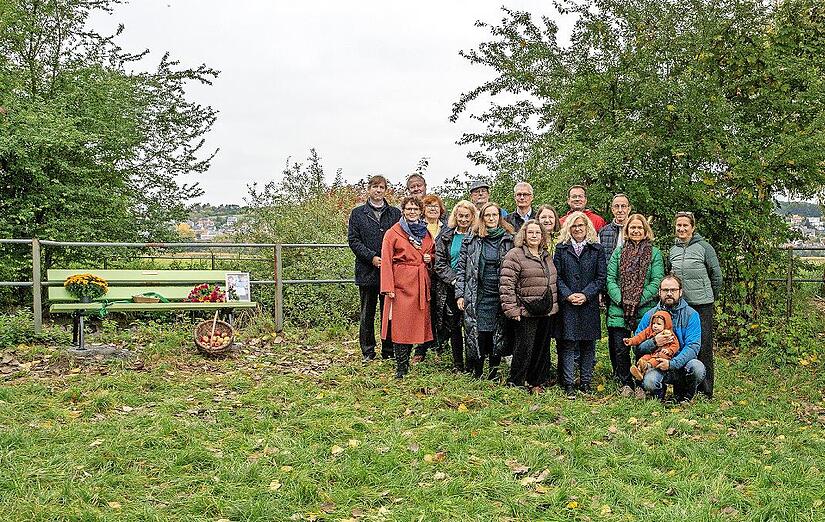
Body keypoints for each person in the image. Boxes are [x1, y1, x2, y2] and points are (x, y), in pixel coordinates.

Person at [605, 214, 664, 397]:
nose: (636, 231)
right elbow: (610, 279)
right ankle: (625, 383)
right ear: (627, 231)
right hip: (619, 309)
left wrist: (638, 300)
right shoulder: (619, 252)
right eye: (632, 228)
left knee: (643, 348)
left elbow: (656, 282)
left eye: (639, 228)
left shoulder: (654, 253)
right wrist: (622, 300)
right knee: (620, 349)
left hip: (644, 309)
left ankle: (640, 383)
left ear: (646, 231)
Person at [455, 202, 515, 379]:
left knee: (497, 332)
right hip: (477, 292)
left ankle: (493, 371)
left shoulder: (509, 239)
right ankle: (478, 370)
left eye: (494, 215)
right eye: (487, 215)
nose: (491, 218)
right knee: (478, 331)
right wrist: (460, 294)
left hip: (499, 292)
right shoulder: (471, 238)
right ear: (482, 218)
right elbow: (461, 268)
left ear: (499, 217)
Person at [500, 220, 559, 392]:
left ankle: (536, 382)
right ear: (524, 235)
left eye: (538, 233)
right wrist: (511, 309)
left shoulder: (546, 255)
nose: (534, 236)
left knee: (541, 348)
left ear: (542, 236)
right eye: (530, 232)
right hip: (525, 310)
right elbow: (506, 284)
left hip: (545, 309)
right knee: (524, 348)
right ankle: (517, 381)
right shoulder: (515, 255)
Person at [347, 175, 401, 362]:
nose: (378, 190)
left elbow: (401, 238)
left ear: (386, 190)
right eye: (375, 187)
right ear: (369, 189)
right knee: (367, 314)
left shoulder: (395, 213)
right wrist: (371, 257)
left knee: (389, 314)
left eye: (382, 187)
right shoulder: (358, 213)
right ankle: (368, 352)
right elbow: (353, 240)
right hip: (367, 271)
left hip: (390, 272)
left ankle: (388, 351)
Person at [380, 196, 435, 379]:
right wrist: (388, 286)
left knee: (415, 325)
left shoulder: (426, 233)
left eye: (415, 209)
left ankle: (411, 359)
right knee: (401, 326)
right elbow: (386, 260)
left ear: (421, 212)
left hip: (420, 284)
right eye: (409, 209)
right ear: (403, 210)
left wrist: (430, 259)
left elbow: (433, 253)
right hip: (401, 284)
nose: (412, 212)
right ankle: (401, 367)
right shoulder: (393, 233)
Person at [553, 211, 607, 399]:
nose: (577, 229)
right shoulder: (561, 249)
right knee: (567, 344)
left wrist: (586, 294)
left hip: (588, 304)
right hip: (567, 304)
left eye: (581, 226)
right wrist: (568, 295)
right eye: (574, 226)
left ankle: (585, 382)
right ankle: (568, 383)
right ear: (569, 227)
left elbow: (601, 278)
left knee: (587, 345)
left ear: (587, 228)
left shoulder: (597, 249)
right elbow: (557, 276)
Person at [669, 211, 722, 399]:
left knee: (703, 346)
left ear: (693, 227)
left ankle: (705, 390)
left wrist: (709, 296)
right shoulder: (673, 250)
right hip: (681, 306)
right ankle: (682, 390)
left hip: (702, 305)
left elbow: (716, 276)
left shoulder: (704, 248)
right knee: (680, 346)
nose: (682, 229)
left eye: (685, 225)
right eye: (679, 225)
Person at [634, 275, 707, 403]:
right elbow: (636, 348)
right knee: (650, 382)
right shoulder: (650, 315)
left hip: (683, 363)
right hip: (657, 363)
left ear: (680, 292)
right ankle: (659, 395)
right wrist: (654, 342)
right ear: (659, 292)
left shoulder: (691, 315)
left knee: (697, 368)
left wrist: (672, 364)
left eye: (673, 290)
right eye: (665, 290)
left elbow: (693, 347)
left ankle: (686, 396)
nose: (669, 294)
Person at [433, 200, 477, 372]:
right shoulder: (446, 235)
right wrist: (454, 280)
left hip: (472, 285)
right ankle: (458, 363)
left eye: (467, 216)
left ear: (473, 217)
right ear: (455, 216)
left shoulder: (477, 235)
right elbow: (440, 263)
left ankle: (473, 363)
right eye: (460, 216)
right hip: (450, 284)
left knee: (471, 325)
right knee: (454, 326)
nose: (463, 219)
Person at [415, 194, 447, 362]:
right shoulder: (417, 228)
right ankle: (420, 347)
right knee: (424, 310)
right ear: (423, 210)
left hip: (441, 276)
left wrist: (433, 257)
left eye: (436, 206)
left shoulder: (447, 227)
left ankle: (440, 345)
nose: (433, 209)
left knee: (440, 310)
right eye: (429, 206)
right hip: (422, 274)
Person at [624, 310, 680, 382]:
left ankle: (647, 366)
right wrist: (631, 341)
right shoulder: (649, 330)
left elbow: (676, 345)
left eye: (659, 324)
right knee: (644, 357)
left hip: (663, 354)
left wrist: (669, 350)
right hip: (652, 352)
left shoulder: (669, 334)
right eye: (653, 323)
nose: (655, 326)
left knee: (658, 357)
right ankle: (639, 371)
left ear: (666, 324)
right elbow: (639, 337)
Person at [598, 193, 632, 263]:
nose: (620, 210)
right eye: (616, 206)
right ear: (612, 209)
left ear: (629, 209)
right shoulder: (603, 232)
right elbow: (599, 259)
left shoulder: (636, 231)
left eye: (623, 206)